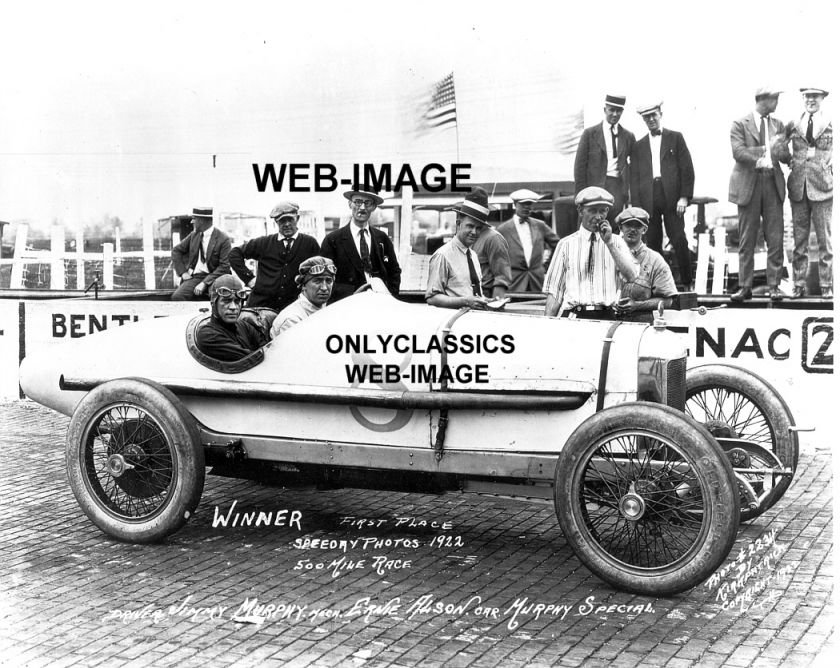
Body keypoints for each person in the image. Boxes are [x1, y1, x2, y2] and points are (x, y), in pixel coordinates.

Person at [728, 87, 787, 302]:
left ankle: (774, 286)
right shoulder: (739, 124)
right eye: (775, 98)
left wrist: (786, 148)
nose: (777, 102)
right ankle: (745, 287)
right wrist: (761, 155)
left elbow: (783, 154)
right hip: (748, 186)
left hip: (773, 183)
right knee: (747, 239)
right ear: (764, 99)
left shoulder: (778, 124)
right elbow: (738, 152)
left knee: (776, 238)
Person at [543, 187, 638, 319]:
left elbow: (632, 276)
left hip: (606, 316)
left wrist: (609, 244)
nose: (598, 217)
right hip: (574, 316)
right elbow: (555, 292)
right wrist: (547, 325)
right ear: (580, 211)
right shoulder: (566, 244)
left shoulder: (617, 243)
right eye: (592, 211)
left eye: (603, 211)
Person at [774, 87, 833, 299]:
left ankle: (827, 286)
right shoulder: (793, 123)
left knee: (825, 241)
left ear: (822, 98)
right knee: (800, 241)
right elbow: (778, 145)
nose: (810, 100)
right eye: (807, 96)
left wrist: (830, 168)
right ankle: (798, 285)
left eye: (815, 96)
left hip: (823, 188)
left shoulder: (831, 122)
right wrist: (789, 160)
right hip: (798, 188)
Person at [630, 101, 695, 290]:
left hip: (672, 197)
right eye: (646, 117)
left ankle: (686, 282)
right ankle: (657, 285)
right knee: (653, 242)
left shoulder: (675, 138)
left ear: (660, 114)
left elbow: (687, 169)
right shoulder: (638, 145)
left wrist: (684, 197)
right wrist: (637, 207)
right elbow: (634, 178)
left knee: (679, 238)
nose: (651, 119)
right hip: (648, 197)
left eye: (653, 115)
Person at [229, 201, 320, 312]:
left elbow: (318, 271)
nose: (286, 224)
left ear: (298, 218)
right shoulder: (264, 243)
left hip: (293, 309)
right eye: (282, 221)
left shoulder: (309, 244)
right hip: (261, 307)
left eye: (290, 219)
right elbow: (234, 254)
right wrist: (250, 279)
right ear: (276, 222)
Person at [320, 185, 401, 302]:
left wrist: (390, 297)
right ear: (350, 204)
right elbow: (325, 278)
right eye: (357, 202)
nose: (362, 208)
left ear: (373, 207)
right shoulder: (333, 240)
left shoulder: (382, 238)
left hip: (379, 303)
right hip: (346, 304)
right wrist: (353, 292)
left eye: (367, 203)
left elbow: (394, 271)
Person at [426, 187, 494, 309]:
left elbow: (471, 293)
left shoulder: (473, 255)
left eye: (479, 228)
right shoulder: (443, 255)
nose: (474, 232)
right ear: (458, 224)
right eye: (470, 226)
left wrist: (485, 300)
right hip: (454, 323)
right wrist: (465, 301)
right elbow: (432, 298)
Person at [574, 94, 636, 227]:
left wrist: (627, 190)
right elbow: (579, 168)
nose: (614, 114)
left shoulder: (628, 136)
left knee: (612, 227)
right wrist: (580, 196)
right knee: (591, 225)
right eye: (611, 110)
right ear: (604, 110)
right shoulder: (590, 134)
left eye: (618, 111)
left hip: (617, 188)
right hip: (594, 187)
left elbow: (635, 165)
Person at [613, 207, 679, 323]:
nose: (633, 229)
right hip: (607, 321)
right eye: (628, 225)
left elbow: (668, 301)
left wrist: (638, 305)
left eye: (638, 226)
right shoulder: (609, 253)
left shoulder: (655, 260)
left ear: (644, 229)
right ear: (620, 228)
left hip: (640, 325)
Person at [497, 188, 559, 291]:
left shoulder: (540, 225)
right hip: (513, 283)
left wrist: (545, 266)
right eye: (523, 204)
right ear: (515, 204)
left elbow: (558, 245)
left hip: (537, 281)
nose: (527, 207)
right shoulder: (503, 229)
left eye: (529, 204)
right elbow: (497, 257)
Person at [195, 274, 267, 361]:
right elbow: (253, 359)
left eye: (237, 301)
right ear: (213, 303)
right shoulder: (207, 335)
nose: (233, 307)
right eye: (226, 300)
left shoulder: (244, 326)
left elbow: (266, 350)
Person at [171, 207, 232, 301]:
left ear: (201, 220)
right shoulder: (194, 235)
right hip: (196, 277)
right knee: (178, 297)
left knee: (216, 298)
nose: (192, 222)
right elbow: (176, 251)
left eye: (194, 218)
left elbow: (224, 267)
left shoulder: (223, 239)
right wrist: (183, 273)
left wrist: (204, 283)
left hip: (216, 278)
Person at [270, 256, 336, 337]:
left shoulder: (327, 311)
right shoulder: (292, 319)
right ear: (304, 285)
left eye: (329, 281)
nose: (324, 288)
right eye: (317, 281)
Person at [470, 213, 512, 300]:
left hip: (485, 295)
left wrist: (495, 305)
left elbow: (502, 277)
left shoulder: (494, 239)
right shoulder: (465, 238)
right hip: (467, 296)